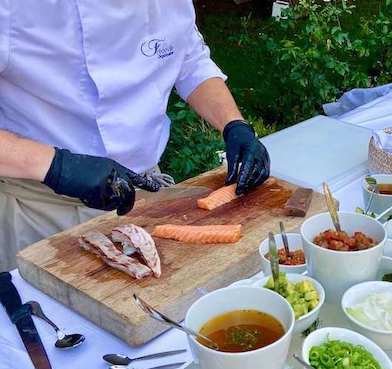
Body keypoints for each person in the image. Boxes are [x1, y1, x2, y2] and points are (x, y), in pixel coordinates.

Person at [0, 1, 270, 271]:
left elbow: (189, 59)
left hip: (143, 194)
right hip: (39, 208)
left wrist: (234, 125)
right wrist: (57, 166)